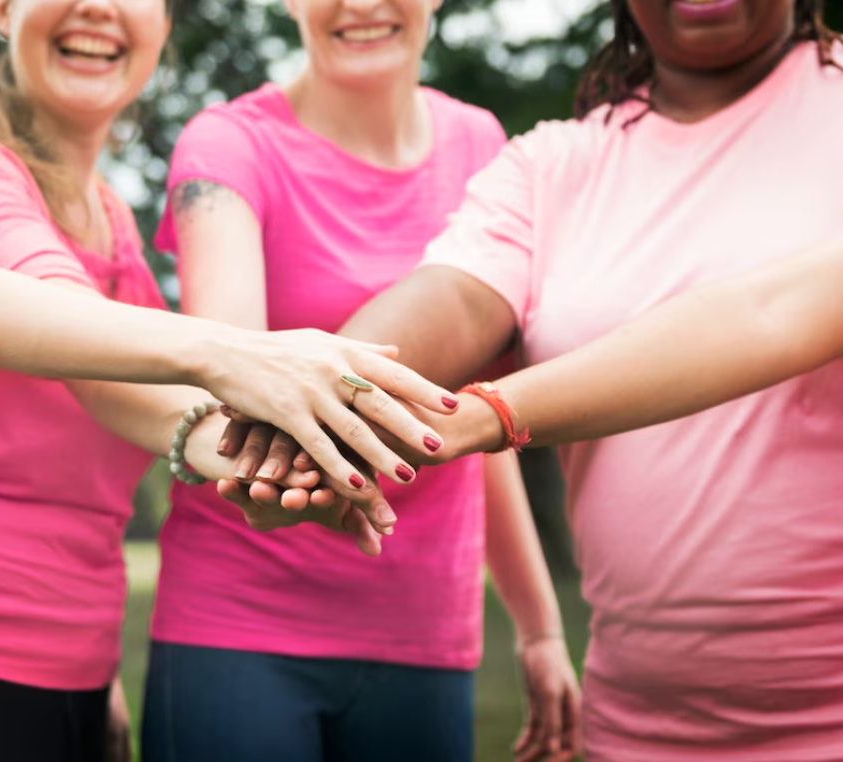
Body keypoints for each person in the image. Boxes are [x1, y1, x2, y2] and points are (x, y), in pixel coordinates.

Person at [0, 1, 456, 759]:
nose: (98, 5)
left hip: (57, 663)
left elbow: (148, 404)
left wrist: (274, 459)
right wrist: (239, 357)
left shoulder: (111, 215)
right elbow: (12, 321)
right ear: (0, 10)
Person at [232, 1, 843, 759]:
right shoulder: (552, 164)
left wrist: (487, 414)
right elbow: (453, 297)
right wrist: (306, 417)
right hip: (636, 727)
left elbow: (773, 315)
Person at [142, 0, 581, 758]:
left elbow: (471, 415)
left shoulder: (480, 143)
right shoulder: (229, 145)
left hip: (425, 630)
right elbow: (230, 371)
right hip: (239, 621)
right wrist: (278, 485)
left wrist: (539, 627)